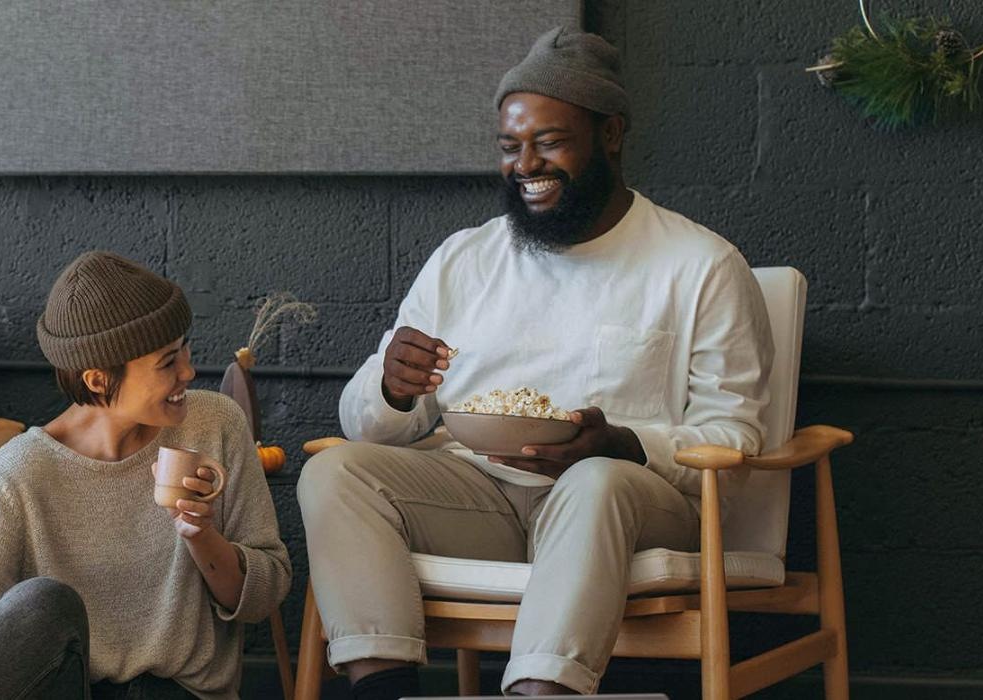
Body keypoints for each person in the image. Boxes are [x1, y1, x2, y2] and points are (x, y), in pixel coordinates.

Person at [297, 27, 774, 698]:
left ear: (610, 135)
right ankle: (385, 688)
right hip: (481, 498)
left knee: (595, 481)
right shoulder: (466, 258)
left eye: (549, 143)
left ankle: (542, 692)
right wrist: (392, 388)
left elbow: (734, 439)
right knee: (335, 471)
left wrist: (624, 444)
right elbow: (367, 427)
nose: (526, 165)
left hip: (632, 505)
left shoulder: (700, 267)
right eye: (510, 147)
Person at [0, 252, 291, 700]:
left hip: (183, 692)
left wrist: (201, 535)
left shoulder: (215, 425)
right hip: (71, 690)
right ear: (98, 379)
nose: (188, 372)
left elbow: (264, 598)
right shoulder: (18, 473)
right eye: (167, 362)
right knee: (41, 604)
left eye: (184, 349)